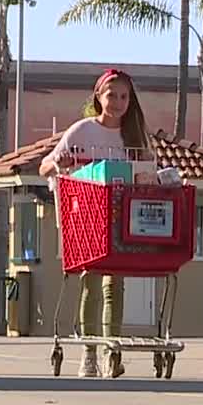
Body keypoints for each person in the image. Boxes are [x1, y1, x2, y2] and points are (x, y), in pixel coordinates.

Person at [39, 68, 152, 378]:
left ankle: (111, 352)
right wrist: (58, 163)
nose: (117, 102)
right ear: (98, 98)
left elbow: (146, 173)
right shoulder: (81, 131)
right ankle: (89, 353)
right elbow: (45, 166)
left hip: (121, 219)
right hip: (87, 219)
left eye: (124, 96)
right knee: (91, 281)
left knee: (115, 284)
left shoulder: (136, 137)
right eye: (111, 95)